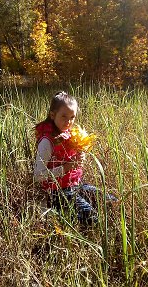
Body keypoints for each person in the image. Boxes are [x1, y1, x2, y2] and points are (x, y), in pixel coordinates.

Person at [33, 91, 102, 225]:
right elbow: (38, 175)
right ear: (53, 115)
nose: (68, 122)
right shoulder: (47, 141)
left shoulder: (71, 135)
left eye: (72, 117)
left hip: (75, 184)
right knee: (93, 218)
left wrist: (80, 157)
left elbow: (72, 162)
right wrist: (67, 167)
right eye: (64, 116)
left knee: (109, 201)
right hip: (56, 192)